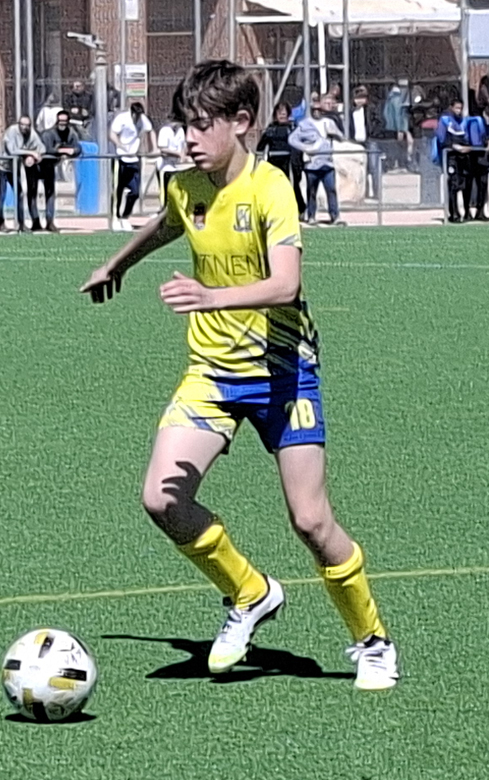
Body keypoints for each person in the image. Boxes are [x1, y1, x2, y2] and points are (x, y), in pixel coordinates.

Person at [80, 59, 399, 692]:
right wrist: (117, 264)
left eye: (202, 126)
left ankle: (373, 642)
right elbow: (168, 223)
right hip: (212, 374)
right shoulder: (186, 186)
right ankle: (250, 592)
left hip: (284, 374)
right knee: (161, 499)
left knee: (311, 522)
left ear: (242, 122)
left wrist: (210, 296)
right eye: (184, 126)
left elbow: (286, 284)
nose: (189, 139)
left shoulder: (270, 187)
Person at [288, 94, 344, 225]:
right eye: (315, 110)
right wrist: (306, 148)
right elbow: (292, 139)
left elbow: (341, 137)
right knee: (311, 192)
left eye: (320, 110)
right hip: (312, 165)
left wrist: (334, 133)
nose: (317, 112)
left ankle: (335, 216)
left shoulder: (329, 123)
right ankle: (311, 215)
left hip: (327, 163)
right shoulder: (304, 124)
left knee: (331, 190)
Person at [109, 101, 153, 231]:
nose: (138, 117)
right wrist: (120, 145)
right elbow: (112, 134)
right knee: (118, 190)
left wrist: (153, 148)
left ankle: (125, 216)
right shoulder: (122, 118)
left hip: (134, 159)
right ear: (132, 112)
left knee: (135, 192)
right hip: (121, 159)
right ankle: (115, 218)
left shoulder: (143, 120)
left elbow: (150, 131)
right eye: (136, 115)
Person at [0, 116, 44, 233]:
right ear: (18, 124)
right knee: (2, 195)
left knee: (20, 194)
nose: (24, 127)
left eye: (27, 125)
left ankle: (21, 224)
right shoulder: (11, 131)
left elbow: (41, 147)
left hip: (14, 169)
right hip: (3, 168)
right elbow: (12, 151)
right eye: (22, 124)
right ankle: (1, 223)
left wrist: (33, 157)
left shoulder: (31, 134)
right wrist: (31, 152)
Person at [257, 102, 305, 218]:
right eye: (279, 113)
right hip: (273, 161)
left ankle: (300, 209)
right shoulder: (271, 129)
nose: (282, 115)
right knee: (273, 187)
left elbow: (299, 146)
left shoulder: (292, 128)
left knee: (292, 186)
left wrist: (298, 163)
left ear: (288, 114)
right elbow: (261, 147)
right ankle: (273, 211)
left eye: (284, 113)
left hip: (289, 162)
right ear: (275, 114)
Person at [37, 110, 81, 232]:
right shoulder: (48, 134)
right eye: (60, 121)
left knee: (50, 193)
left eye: (64, 121)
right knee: (32, 193)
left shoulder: (70, 133)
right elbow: (46, 149)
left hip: (50, 167)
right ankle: (35, 222)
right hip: (38, 165)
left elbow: (77, 148)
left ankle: (49, 221)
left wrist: (73, 151)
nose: (62, 124)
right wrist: (62, 151)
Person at [464, 103, 489, 222]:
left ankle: (480, 211)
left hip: (484, 160)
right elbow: (476, 142)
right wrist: (488, 143)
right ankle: (466, 212)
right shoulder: (476, 123)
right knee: (468, 185)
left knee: (483, 185)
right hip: (471, 158)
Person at [436, 99, 471, 223]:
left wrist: (467, 147)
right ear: (451, 107)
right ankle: (453, 213)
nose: (459, 111)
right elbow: (442, 139)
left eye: (460, 108)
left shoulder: (463, 121)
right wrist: (453, 146)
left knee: (464, 184)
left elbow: (466, 137)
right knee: (453, 185)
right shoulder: (445, 120)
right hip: (451, 157)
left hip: (463, 158)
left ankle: (466, 212)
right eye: (457, 108)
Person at [345, 86, 383, 199]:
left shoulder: (371, 109)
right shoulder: (349, 111)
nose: (360, 101)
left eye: (363, 98)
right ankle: (363, 193)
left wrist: (373, 132)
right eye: (358, 98)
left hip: (370, 140)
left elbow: (379, 122)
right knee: (361, 169)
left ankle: (377, 194)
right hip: (356, 142)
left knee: (374, 167)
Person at [154, 115, 191, 205]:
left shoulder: (180, 130)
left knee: (175, 191)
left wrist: (183, 154)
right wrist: (178, 154)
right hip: (164, 167)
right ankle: (164, 208)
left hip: (175, 166)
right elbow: (163, 149)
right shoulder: (165, 130)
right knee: (165, 191)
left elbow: (183, 145)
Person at [382, 81, 411, 171]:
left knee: (391, 147)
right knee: (399, 147)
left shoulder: (389, 99)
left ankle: (391, 164)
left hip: (389, 127)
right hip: (396, 128)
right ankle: (401, 164)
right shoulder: (398, 99)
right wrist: (400, 129)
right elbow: (399, 115)